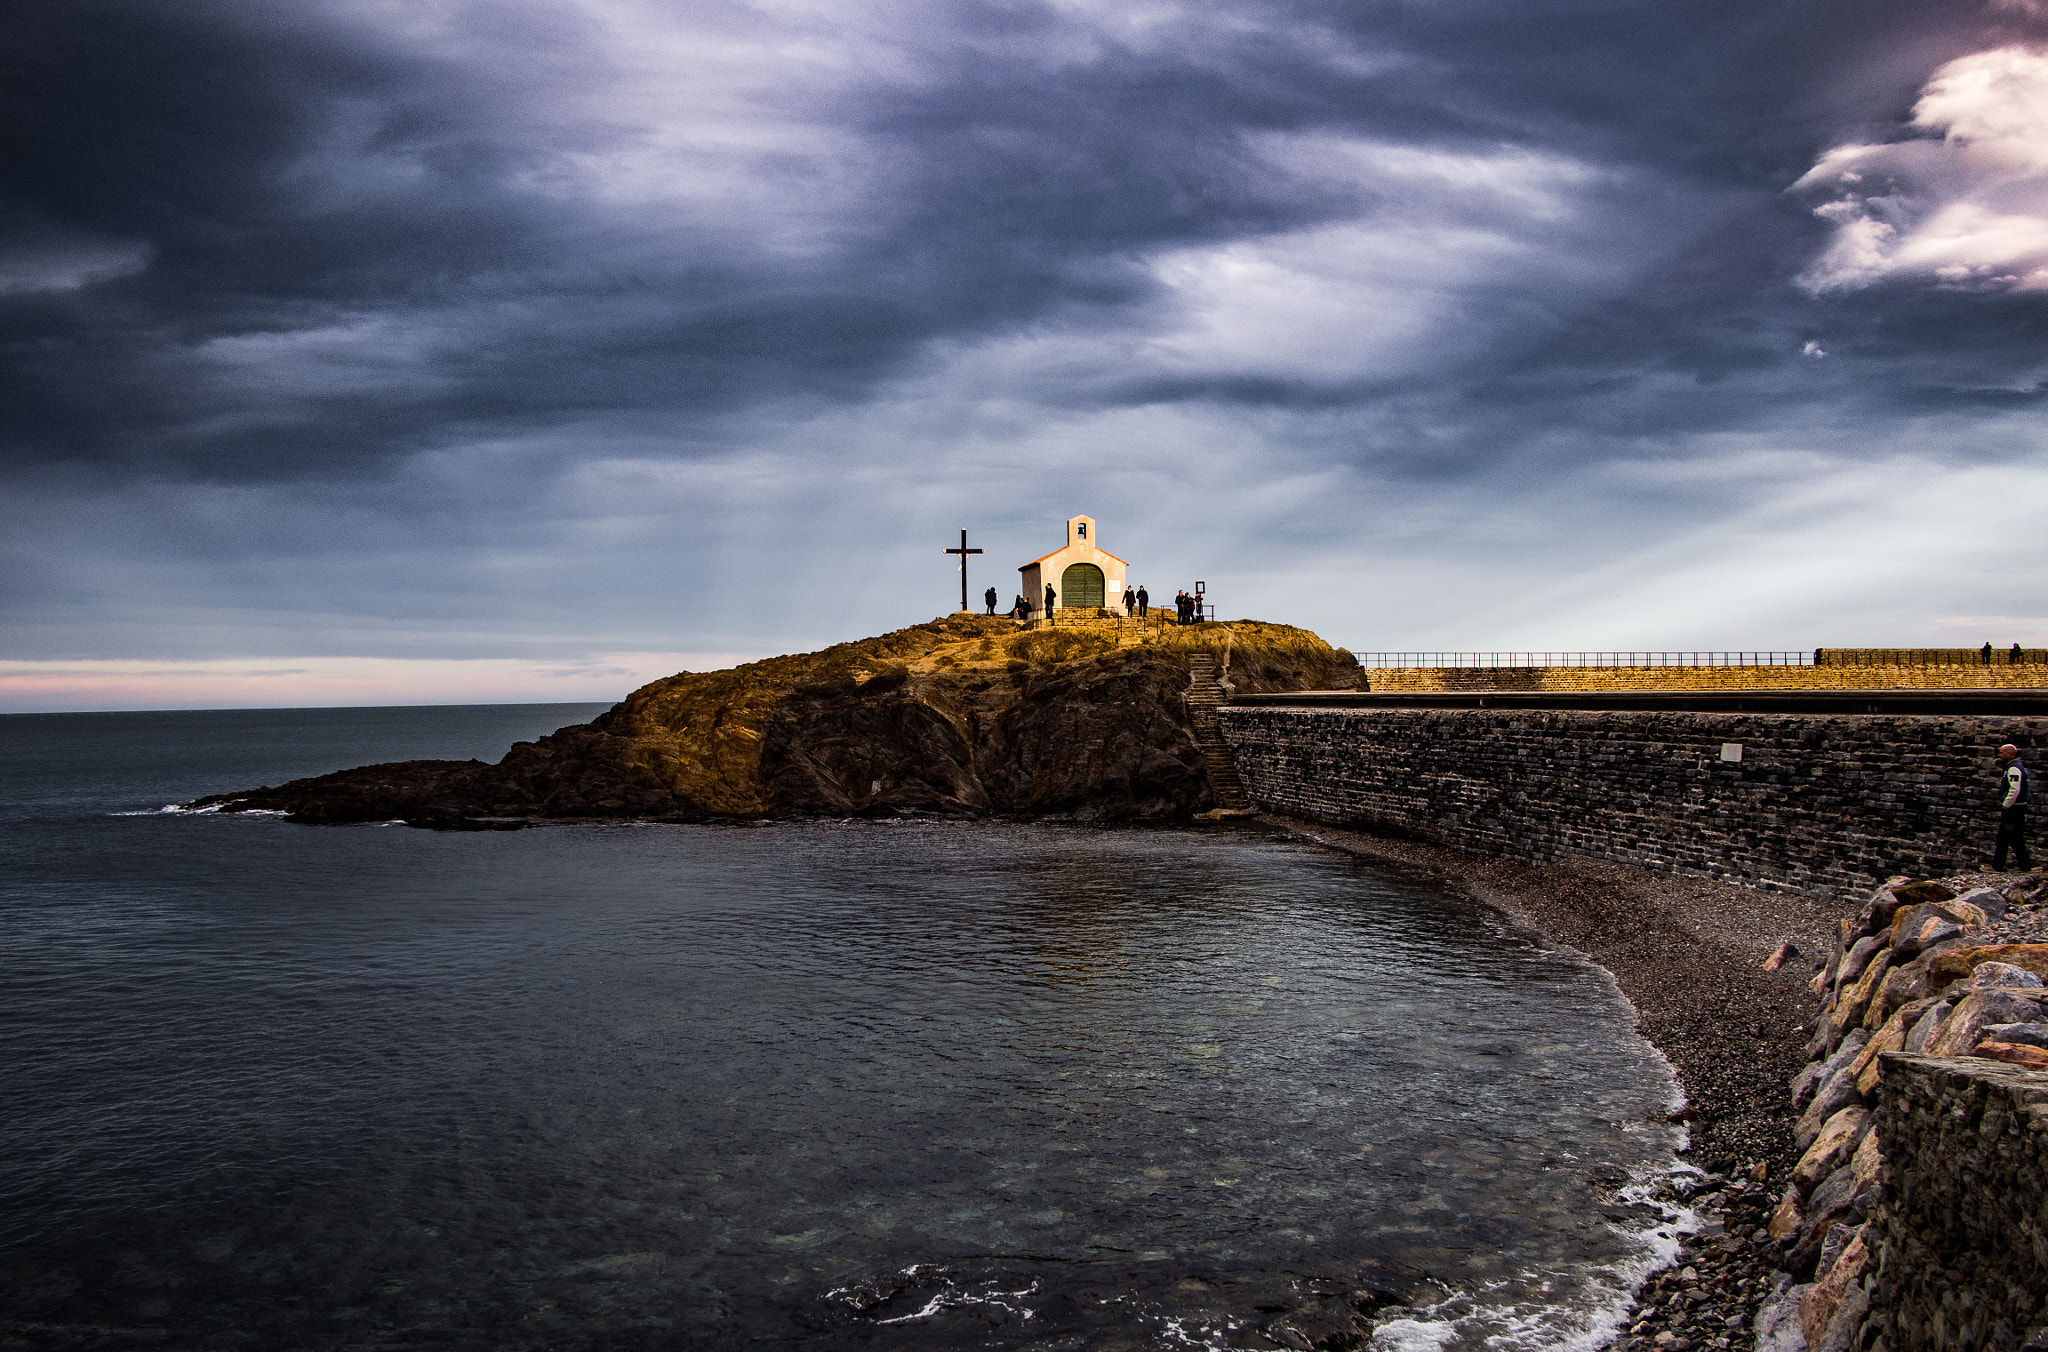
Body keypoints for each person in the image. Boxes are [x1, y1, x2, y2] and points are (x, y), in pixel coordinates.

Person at [1994, 743, 2032, 870]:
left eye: (2002, 752)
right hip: (2016, 807)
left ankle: (2001, 866)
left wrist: (2006, 804)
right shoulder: (2015, 767)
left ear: (2010, 754)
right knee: (2008, 837)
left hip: (2014, 808)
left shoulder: (2013, 768)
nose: (1999, 755)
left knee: (2010, 837)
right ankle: (2020, 865)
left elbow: (2015, 789)